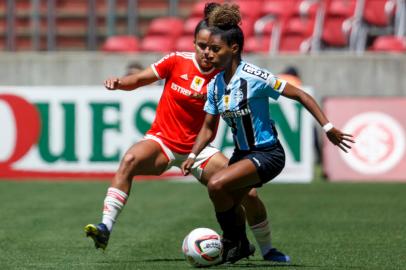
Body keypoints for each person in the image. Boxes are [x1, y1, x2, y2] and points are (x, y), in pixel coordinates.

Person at [84, 3, 290, 263]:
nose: (206, 52)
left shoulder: (224, 72)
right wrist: (119, 83)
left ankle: (266, 249)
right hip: (163, 142)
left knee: (248, 193)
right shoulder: (175, 61)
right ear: (193, 43)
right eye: (200, 45)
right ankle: (105, 227)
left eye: (211, 46)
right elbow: (139, 79)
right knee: (130, 160)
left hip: (201, 149)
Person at [181, 3, 355, 264]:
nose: (208, 54)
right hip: (242, 155)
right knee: (233, 198)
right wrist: (193, 155)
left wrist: (328, 128)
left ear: (234, 49)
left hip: (268, 153)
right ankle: (244, 244)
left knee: (217, 184)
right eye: (205, 48)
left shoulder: (254, 75)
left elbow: (299, 94)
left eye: (215, 49)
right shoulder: (215, 84)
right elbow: (207, 127)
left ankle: (232, 242)